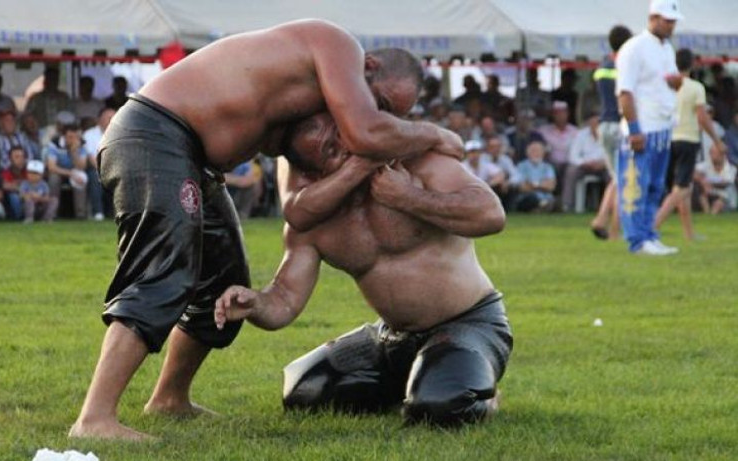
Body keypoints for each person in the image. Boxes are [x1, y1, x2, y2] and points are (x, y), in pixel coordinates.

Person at [69, 19, 463, 441]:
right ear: (367, 66)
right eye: (381, 101)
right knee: (162, 273)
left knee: (224, 280)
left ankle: (169, 398)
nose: (382, 117)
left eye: (392, 114)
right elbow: (367, 132)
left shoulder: (311, 103)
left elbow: (300, 208)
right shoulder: (335, 44)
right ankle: (94, 419)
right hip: (155, 134)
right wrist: (432, 134)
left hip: (194, 158)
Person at [214, 112, 511, 427]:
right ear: (313, 172)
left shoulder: (413, 164)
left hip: (469, 322)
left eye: (342, 133)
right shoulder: (312, 220)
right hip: (391, 338)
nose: (345, 147)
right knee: (304, 391)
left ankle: (471, 392)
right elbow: (284, 300)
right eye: (330, 150)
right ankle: (423, 378)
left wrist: (409, 197)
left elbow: (490, 214)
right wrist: (253, 304)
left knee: (439, 407)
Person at [616, 0, 684, 255]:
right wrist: (634, 129)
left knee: (655, 185)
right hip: (642, 128)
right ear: (653, 18)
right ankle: (637, 240)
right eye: (667, 21)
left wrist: (677, 83)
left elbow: (669, 83)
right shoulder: (634, 48)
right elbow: (625, 92)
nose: (671, 26)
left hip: (663, 125)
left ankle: (649, 234)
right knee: (636, 185)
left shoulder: (667, 49)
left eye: (673, 21)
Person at [655, 49, 727, 241]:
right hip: (687, 139)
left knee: (681, 186)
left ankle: (689, 233)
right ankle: (653, 225)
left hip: (668, 139)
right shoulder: (695, 87)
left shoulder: (666, 85)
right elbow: (702, 117)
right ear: (693, 65)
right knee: (683, 189)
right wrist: (717, 140)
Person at [590, 25, 633, 240]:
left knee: (616, 177)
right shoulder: (623, 66)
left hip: (603, 124)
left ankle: (600, 219)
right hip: (619, 125)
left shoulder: (602, 66)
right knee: (622, 179)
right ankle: (615, 230)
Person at [562, 113, 610, 213]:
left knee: (612, 174)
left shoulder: (608, 134)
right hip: (585, 166)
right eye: (593, 123)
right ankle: (567, 205)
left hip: (603, 166)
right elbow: (573, 156)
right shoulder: (581, 135)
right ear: (588, 123)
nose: (595, 125)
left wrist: (603, 163)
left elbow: (613, 153)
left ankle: (609, 207)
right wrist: (585, 163)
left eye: (598, 123)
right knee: (571, 171)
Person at [46, 124, 88, 219]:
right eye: (70, 137)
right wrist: (70, 174)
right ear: (64, 136)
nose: (73, 140)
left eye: (75, 137)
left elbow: (82, 167)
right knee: (53, 179)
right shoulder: (55, 143)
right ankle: (52, 212)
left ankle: (80, 214)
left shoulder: (81, 144)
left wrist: (74, 152)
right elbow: (52, 167)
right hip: (59, 171)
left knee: (81, 178)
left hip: (75, 170)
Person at [514, 141, 557, 212]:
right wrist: (542, 185)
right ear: (527, 153)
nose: (536, 153)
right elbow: (523, 187)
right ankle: (542, 206)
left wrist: (533, 185)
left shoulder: (548, 167)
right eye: (533, 151)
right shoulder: (521, 166)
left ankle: (541, 207)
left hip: (546, 197)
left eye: (538, 151)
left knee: (555, 200)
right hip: (527, 198)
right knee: (530, 199)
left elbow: (551, 186)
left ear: (543, 153)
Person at [694, 145, 737, 214]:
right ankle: (707, 214)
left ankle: (714, 212)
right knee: (700, 192)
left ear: (723, 155)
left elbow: (725, 181)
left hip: (725, 196)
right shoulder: (707, 164)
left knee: (728, 191)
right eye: (711, 153)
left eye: (715, 153)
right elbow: (692, 172)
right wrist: (702, 180)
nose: (712, 155)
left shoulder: (731, 168)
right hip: (710, 194)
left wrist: (706, 180)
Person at [1, 146, 27, 220]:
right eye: (17, 157)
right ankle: (18, 218)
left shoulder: (29, 171)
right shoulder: (6, 172)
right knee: (13, 196)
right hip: (15, 200)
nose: (21, 159)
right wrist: (21, 188)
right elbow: (5, 185)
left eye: (23, 157)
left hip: (28, 198)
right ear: (10, 159)